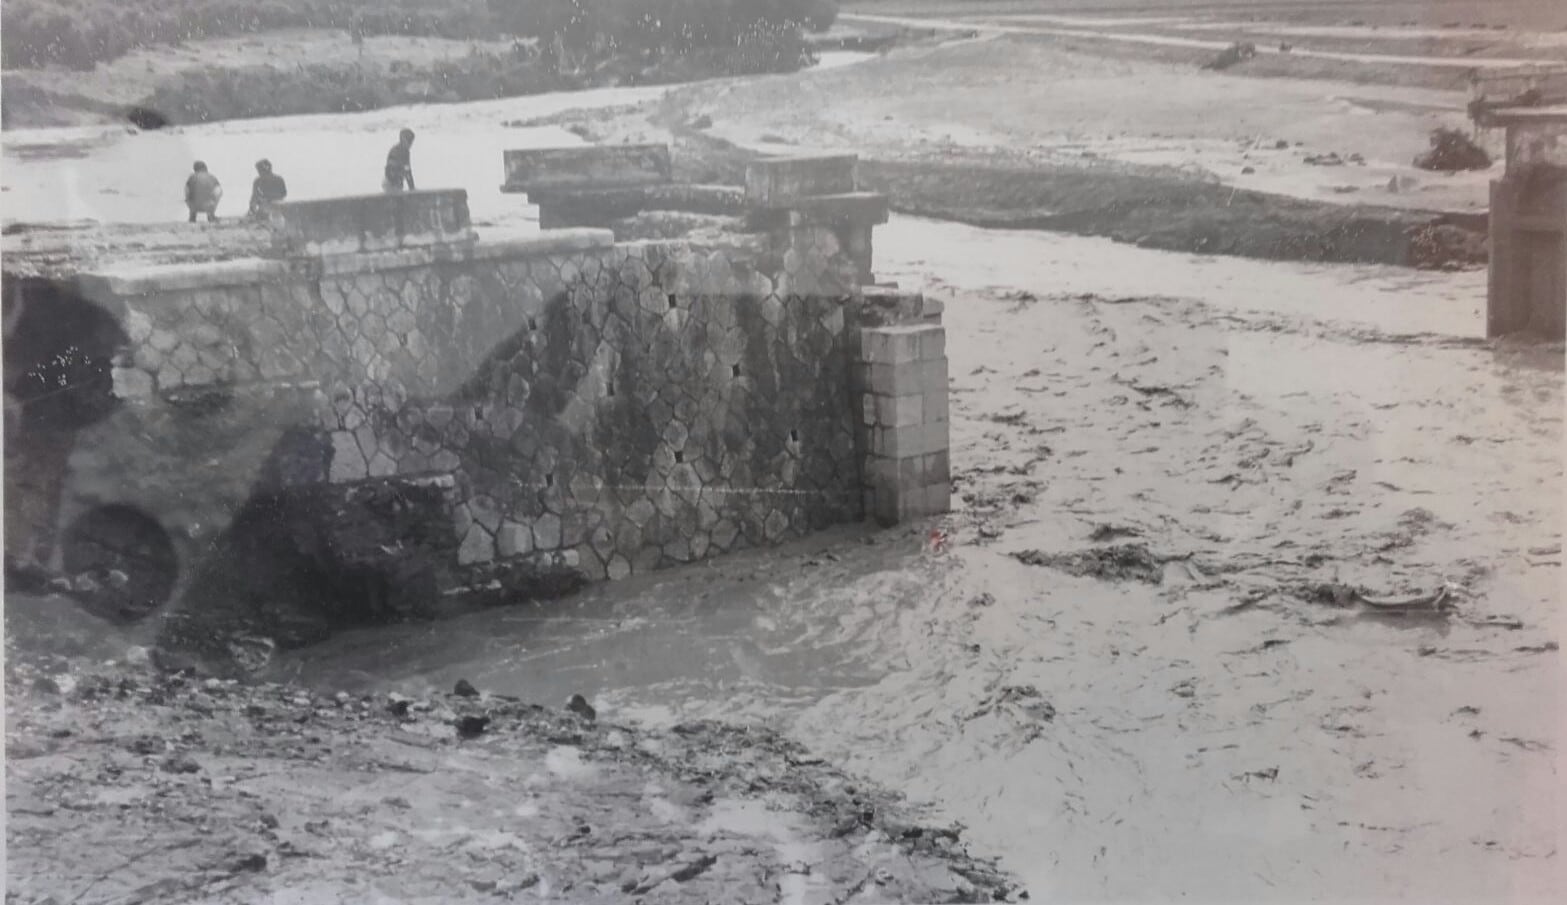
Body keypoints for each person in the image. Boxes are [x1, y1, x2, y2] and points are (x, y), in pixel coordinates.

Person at [383, 128, 416, 193]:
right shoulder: (395, 152)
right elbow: (390, 171)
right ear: (403, 140)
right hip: (390, 183)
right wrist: (396, 182)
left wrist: (412, 188)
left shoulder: (406, 153)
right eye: (409, 141)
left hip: (398, 183)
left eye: (411, 142)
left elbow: (407, 170)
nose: (410, 144)